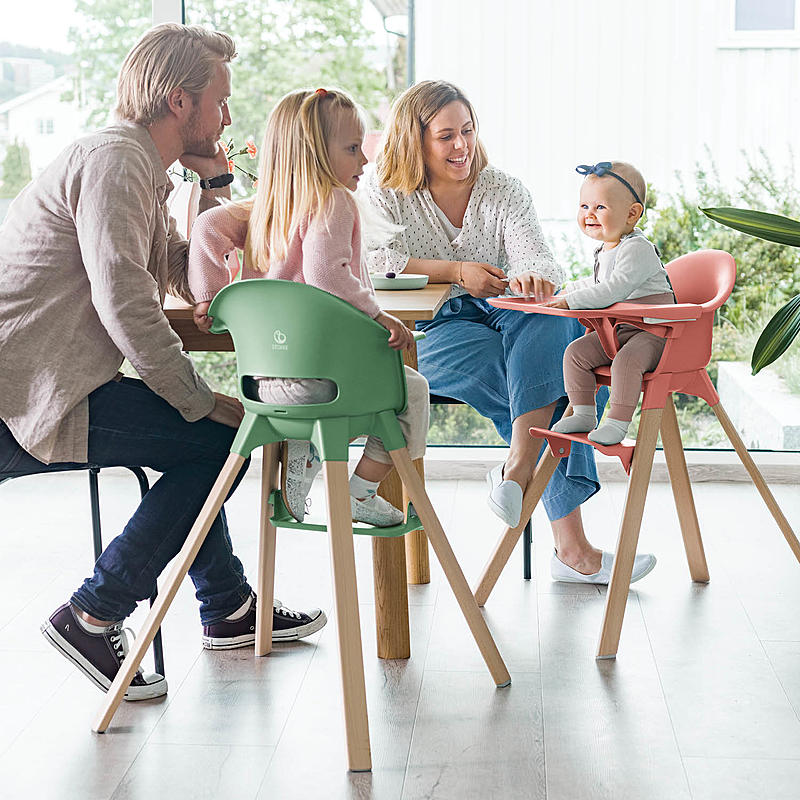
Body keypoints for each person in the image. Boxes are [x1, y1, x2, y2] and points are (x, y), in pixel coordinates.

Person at [0, 24, 326, 703]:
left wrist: (217, 186)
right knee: (217, 439)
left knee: (202, 440)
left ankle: (229, 606)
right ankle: (95, 612)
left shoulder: (138, 169)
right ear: (180, 102)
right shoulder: (114, 164)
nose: (229, 116)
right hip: (26, 397)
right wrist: (197, 398)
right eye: (221, 101)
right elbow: (126, 304)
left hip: (57, 384)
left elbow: (179, 270)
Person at [362, 80, 655, 584]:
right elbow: (373, 263)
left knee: (544, 320)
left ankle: (517, 469)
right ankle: (573, 550)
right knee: (547, 388)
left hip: (508, 310)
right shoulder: (383, 192)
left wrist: (532, 277)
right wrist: (457, 272)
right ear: (415, 140)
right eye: (446, 136)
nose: (462, 146)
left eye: (468, 131)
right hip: (434, 327)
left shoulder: (502, 187)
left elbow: (537, 255)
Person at [188, 88, 430, 528]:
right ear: (317, 154)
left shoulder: (263, 210)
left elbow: (206, 226)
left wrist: (209, 294)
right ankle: (361, 491)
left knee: (357, 390)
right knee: (411, 391)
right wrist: (378, 316)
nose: (365, 161)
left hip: (265, 385)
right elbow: (328, 275)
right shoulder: (334, 201)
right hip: (325, 383)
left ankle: (307, 445)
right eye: (353, 149)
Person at [548, 161, 675, 446]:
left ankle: (618, 422)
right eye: (584, 207)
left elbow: (613, 290)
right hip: (620, 331)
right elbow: (593, 284)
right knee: (575, 353)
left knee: (626, 362)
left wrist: (571, 302)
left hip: (654, 332)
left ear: (632, 214)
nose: (589, 214)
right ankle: (583, 412)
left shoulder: (638, 249)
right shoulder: (605, 249)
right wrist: (559, 295)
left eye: (599, 208)